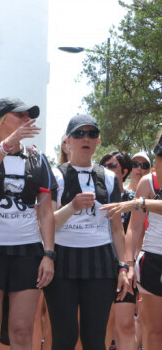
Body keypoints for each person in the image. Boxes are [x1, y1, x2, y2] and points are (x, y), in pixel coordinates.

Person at [0, 97, 55, 350]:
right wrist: (8, 144)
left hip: (27, 252)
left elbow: (46, 212)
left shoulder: (38, 158)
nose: (28, 120)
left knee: (21, 330)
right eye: (21, 115)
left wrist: (49, 254)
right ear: (0, 121)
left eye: (30, 116)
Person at [44, 115, 130, 350]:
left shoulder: (110, 178)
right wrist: (72, 206)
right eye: (79, 133)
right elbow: (46, 223)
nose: (86, 138)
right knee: (64, 338)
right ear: (68, 141)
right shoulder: (56, 174)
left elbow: (117, 228)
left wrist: (124, 266)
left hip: (100, 262)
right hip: (63, 260)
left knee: (95, 339)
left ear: (98, 140)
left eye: (91, 134)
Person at [102, 132, 162, 350]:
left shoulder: (138, 199)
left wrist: (137, 203)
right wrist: (128, 264)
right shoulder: (148, 182)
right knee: (152, 330)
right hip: (153, 260)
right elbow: (134, 228)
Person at [99, 151, 136, 350]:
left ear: (124, 171)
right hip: (100, 265)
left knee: (126, 324)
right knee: (104, 324)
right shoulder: (95, 196)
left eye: (112, 165)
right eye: (103, 165)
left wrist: (130, 264)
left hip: (125, 266)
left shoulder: (133, 199)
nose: (106, 169)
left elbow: (135, 233)